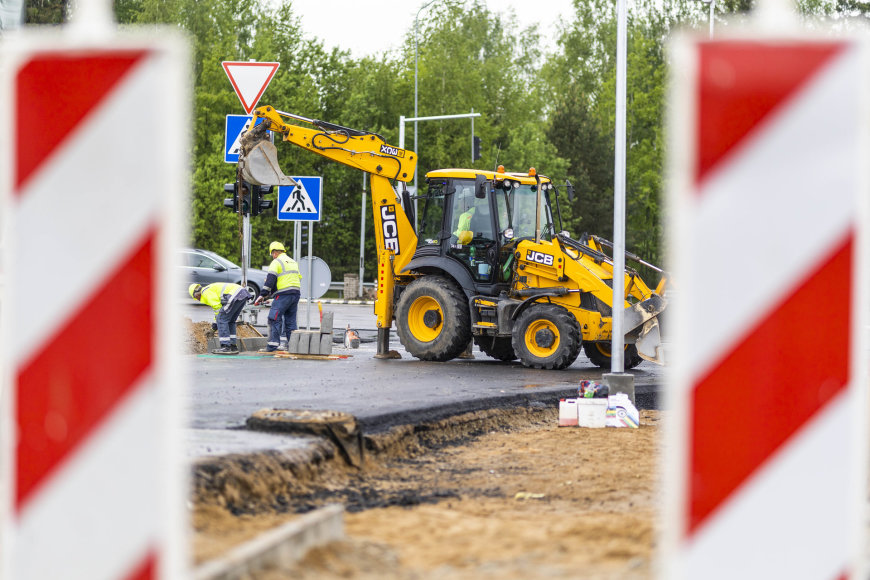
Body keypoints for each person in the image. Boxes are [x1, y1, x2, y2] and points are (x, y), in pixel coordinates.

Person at [254, 241, 302, 352]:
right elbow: (296, 278)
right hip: (295, 293)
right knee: (290, 321)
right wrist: (274, 293)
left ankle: (272, 346)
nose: (272, 256)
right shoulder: (293, 262)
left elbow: (270, 280)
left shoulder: (276, 262)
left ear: (275, 252)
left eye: (272, 254)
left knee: (273, 318)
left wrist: (262, 295)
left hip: (284, 294)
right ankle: (293, 346)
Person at [190, 282, 252, 355]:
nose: (197, 299)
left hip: (235, 294)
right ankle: (233, 346)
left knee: (222, 319)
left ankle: (226, 346)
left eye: (196, 298)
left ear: (196, 295)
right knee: (230, 321)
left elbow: (218, 310)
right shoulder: (208, 290)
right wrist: (214, 328)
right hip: (241, 293)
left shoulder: (205, 293)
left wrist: (214, 327)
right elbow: (219, 311)